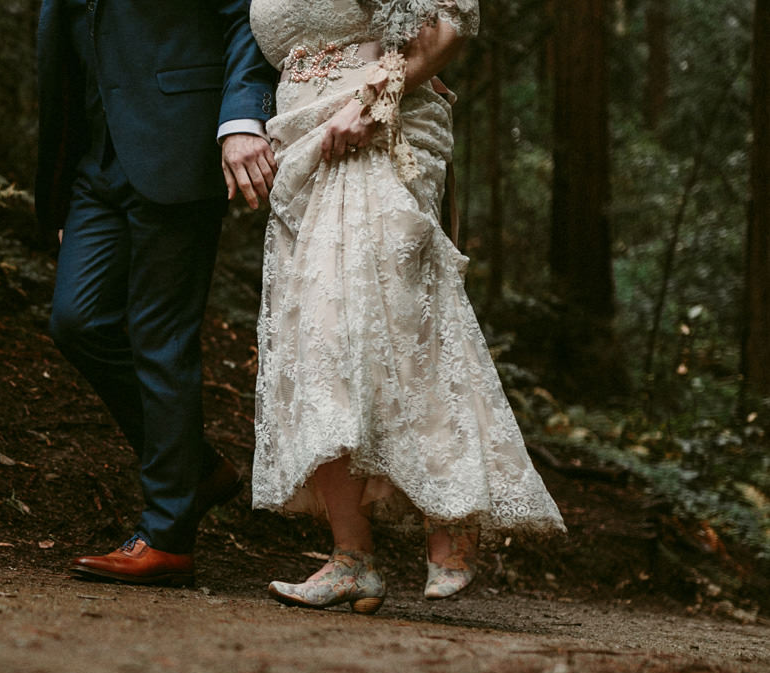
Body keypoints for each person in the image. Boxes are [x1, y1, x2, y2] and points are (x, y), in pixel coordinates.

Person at [246, 0, 564, 613]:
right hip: (302, 140)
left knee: (397, 318)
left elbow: (448, 21)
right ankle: (351, 558)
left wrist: (374, 101)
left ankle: (452, 512)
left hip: (380, 132)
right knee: (317, 337)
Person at [36, 0, 280, 588]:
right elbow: (66, 64)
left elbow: (247, 21)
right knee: (77, 321)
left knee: (161, 339)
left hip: (179, 145)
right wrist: (61, 181)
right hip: (95, 169)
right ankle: (194, 470)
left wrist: (243, 117)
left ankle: (168, 537)